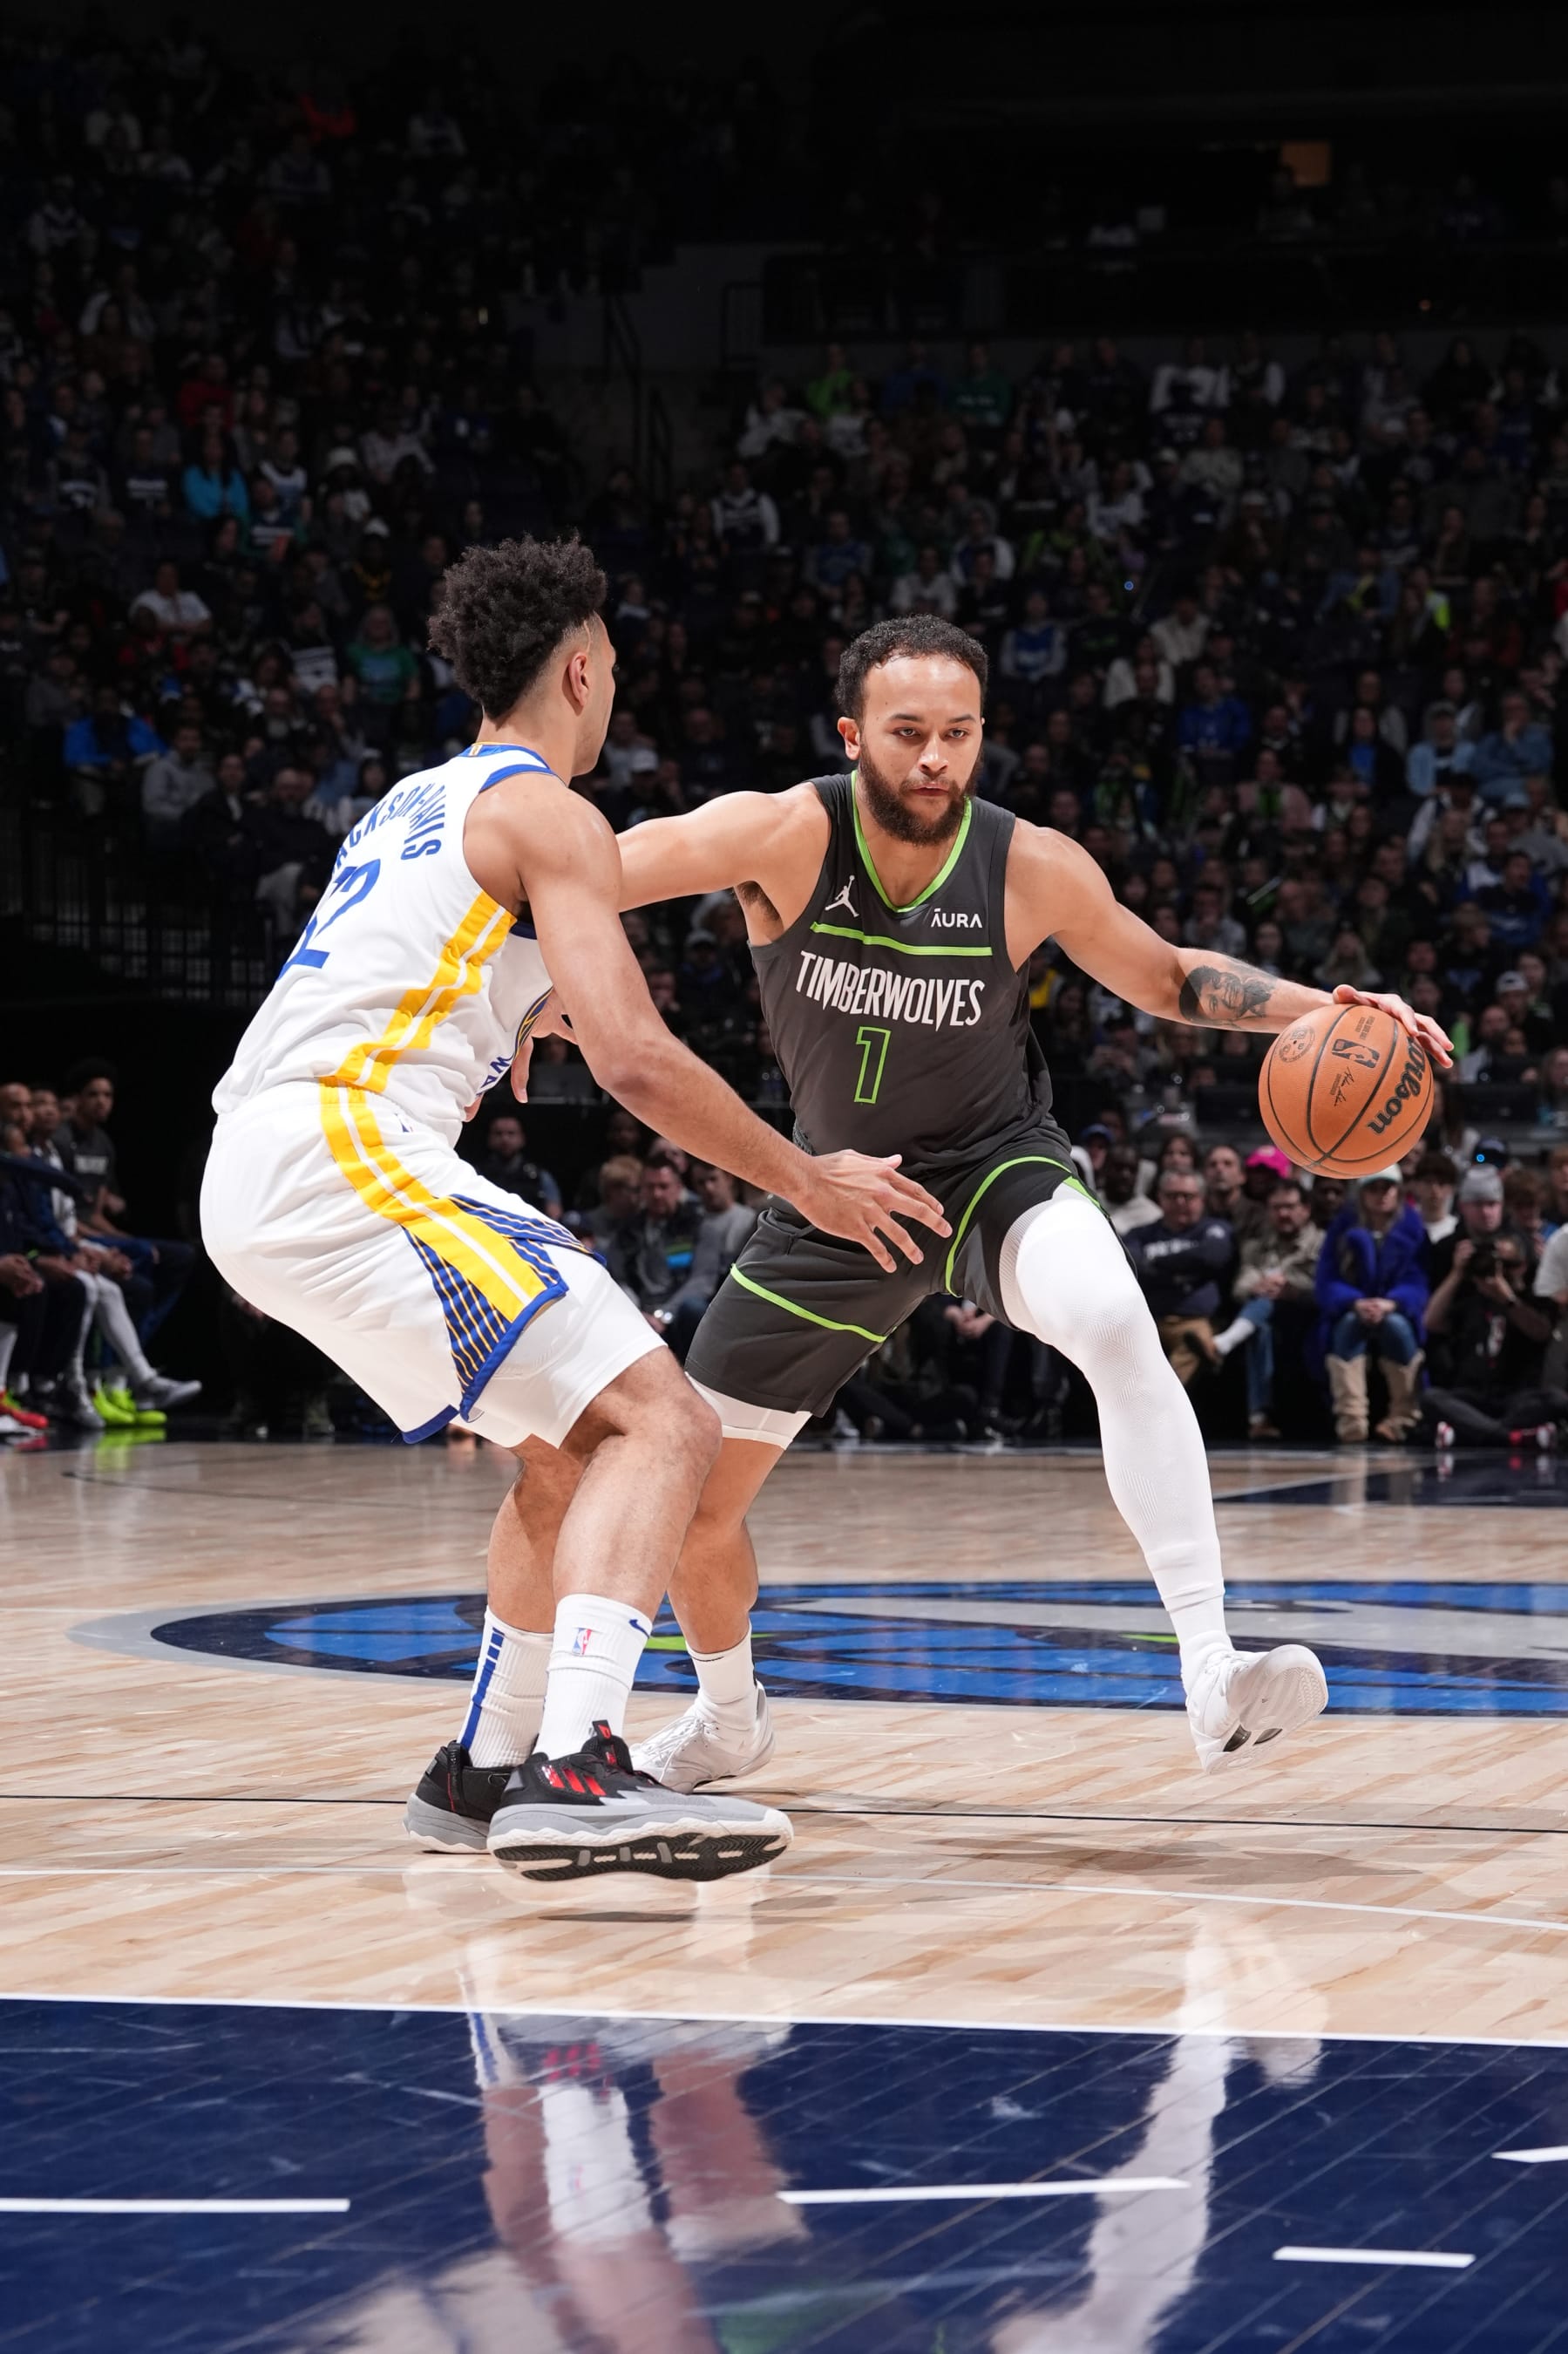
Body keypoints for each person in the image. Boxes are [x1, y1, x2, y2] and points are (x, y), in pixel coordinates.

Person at [200, 535, 943, 1886]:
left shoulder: (419, 799)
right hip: (340, 1144)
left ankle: (487, 1765)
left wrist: (516, 984)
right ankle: (579, 1764)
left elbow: (447, 950)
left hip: (268, 1163)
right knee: (665, 1417)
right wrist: (806, 1179)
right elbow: (637, 1059)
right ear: (584, 666)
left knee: (567, 1445)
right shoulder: (549, 812)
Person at [594, 617, 1443, 1786]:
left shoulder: (1026, 863)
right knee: (689, 1497)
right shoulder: (783, 833)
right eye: (905, 734)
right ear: (852, 737)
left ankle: (1209, 1670)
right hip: (834, 1192)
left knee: (1108, 1321)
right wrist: (551, 977)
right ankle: (728, 1720)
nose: (934, 758)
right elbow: (592, 868)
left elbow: (1162, 976)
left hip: (994, 1169)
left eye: (956, 733)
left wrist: (1324, 1012)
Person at [1423, 1219, 1564, 1450]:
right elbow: (1432, 1322)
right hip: (1475, 1396)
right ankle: (1510, 1437)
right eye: (1495, 1265)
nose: (1500, 1273)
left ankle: (1469, 1433)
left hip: (1517, 1397)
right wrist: (1457, 1273)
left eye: (1508, 1265)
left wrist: (1507, 1299)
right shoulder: (1472, 1301)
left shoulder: (1534, 1300)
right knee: (1432, 1399)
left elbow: (1540, 1332)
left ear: (1523, 1265)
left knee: (1555, 1401)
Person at [1316, 1170, 1430, 1442]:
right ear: (1362, 1193)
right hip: (1352, 1308)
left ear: (1398, 1191)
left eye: (1387, 1188)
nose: (1381, 1195)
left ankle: (1403, 1417)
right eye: (1373, 1189)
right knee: (1346, 1327)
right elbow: (1327, 1278)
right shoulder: (1343, 1227)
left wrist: (1392, 1303)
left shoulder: (1413, 1227)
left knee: (1399, 1328)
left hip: (1394, 1309)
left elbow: (1419, 1279)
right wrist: (1354, 1301)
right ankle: (1351, 1419)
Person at [1210, 1181, 1322, 1439]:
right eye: (1277, 1208)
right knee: (1260, 1321)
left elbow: (1324, 1287)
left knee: (1264, 1308)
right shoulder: (1255, 1246)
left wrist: (1293, 1288)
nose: (1284, 1214)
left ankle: (1225, 1342)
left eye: (1290, 1207)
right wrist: (1260, 1285)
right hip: (1265, 1317)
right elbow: (1240, 1286)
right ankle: (1259, 1420)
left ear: (1305, 1210)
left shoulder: (1322, 1243)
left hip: (1307, 1316)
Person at [475, 1112, 561, 1221]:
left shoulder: (538, 1176)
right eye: (498, 1134)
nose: (505, 1139)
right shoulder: (476, 1173)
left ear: (522, 1139)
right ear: (489, 1139)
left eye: (511, 1133)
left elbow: (555, 1215)